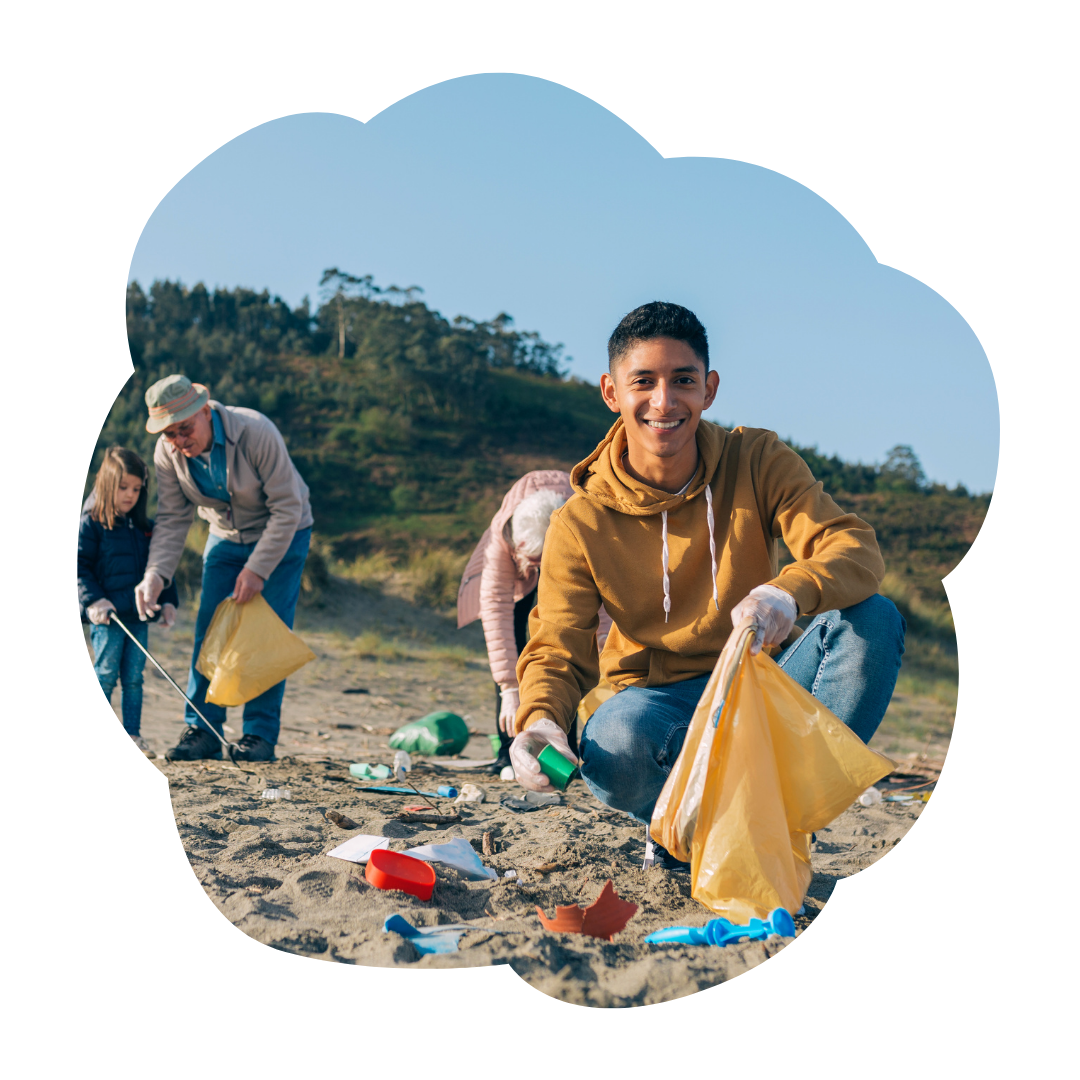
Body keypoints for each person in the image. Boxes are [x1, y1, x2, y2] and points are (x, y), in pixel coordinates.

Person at [508, 302, 906, 868]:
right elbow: (556, 646)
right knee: (615, 742)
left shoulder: (759, 460)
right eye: (643, 382)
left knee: (874, 620)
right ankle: (677, 826)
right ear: (611, 392)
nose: (664, 402)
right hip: (657, 706)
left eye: (684, 381)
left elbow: (853, 547)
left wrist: (786, 593)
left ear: (710, 388)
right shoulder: (580, 521)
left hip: (762, 678)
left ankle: (768, 821)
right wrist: (542, 720)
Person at [133, 375, 314, 763]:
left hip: (284, 530)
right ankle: (204, 728)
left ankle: (258, 735)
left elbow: (287, 508)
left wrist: (258, 570)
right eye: (170, 434)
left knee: (265, 634)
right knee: (210, 630)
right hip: (226, 536)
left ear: (205, 410)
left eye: (185, 428)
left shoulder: (256, 430)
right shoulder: (168, 454)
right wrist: (156, 575)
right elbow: (173, 518)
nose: (180, 440)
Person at [457, 471, 612, 774]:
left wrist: (609, 668)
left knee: (570, 649)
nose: (538, 572)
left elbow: (604, 609)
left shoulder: (587, 531)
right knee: (515, 646)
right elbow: (496, 614)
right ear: (518, 545)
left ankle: (564, 748)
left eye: (542, 564)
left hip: (569, 559)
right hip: (515, 570)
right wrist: (508, 689)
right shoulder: (501, 543)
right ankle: (508, 750)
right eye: (534, 562)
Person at [78, 447, 180, 756]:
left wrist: (169, 601)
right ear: (107, 484)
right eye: (123, 488)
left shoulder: (145, 528)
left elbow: (162, 567)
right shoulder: (92, 524)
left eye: (137, 489)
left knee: (134, 679)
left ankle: (133, 735)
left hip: (138, 617)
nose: (130, 495)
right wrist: (94, 601)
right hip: (108, 618)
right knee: (106, 674)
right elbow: (79, 565)